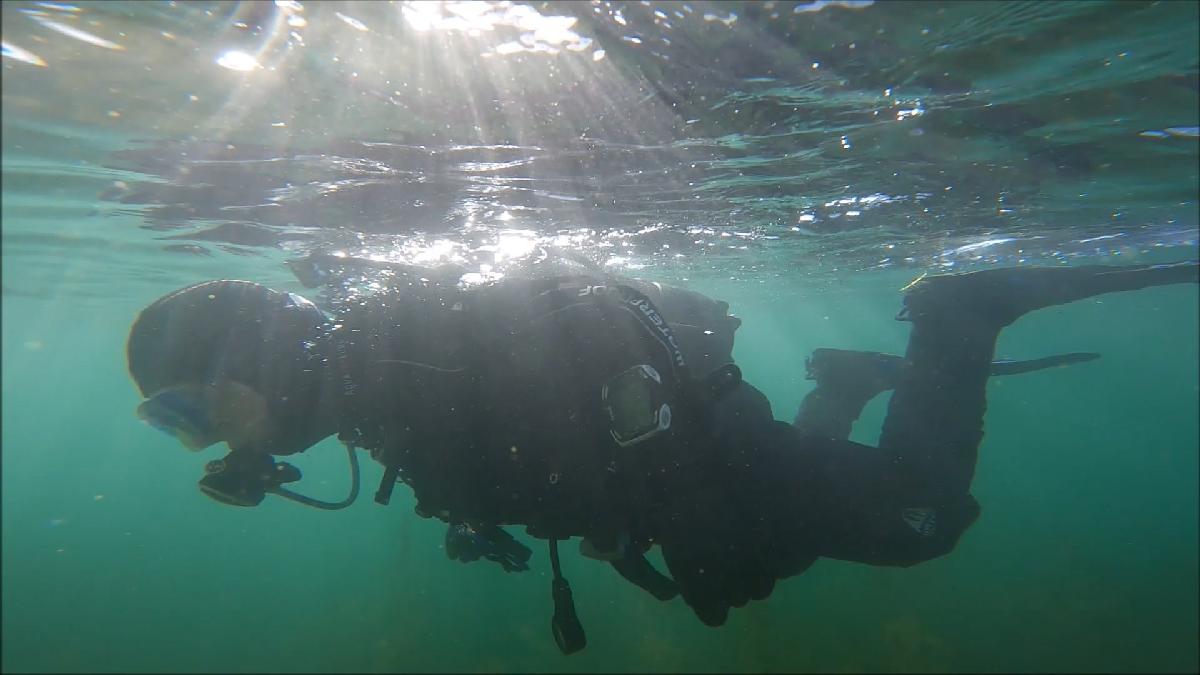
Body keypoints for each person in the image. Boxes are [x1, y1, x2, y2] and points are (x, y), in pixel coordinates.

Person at [127, 252, 1198, 653]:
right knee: (779, 561)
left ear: (244, 358)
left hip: (710, 463)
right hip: (682, 491)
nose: (208, 442)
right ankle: (841, 386)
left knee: (917, 521)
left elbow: (592, 316)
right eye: (177, 428)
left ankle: (958, 316)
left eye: (190, 409)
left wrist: (672, 487)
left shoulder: (394, 353)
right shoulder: (364, 379)